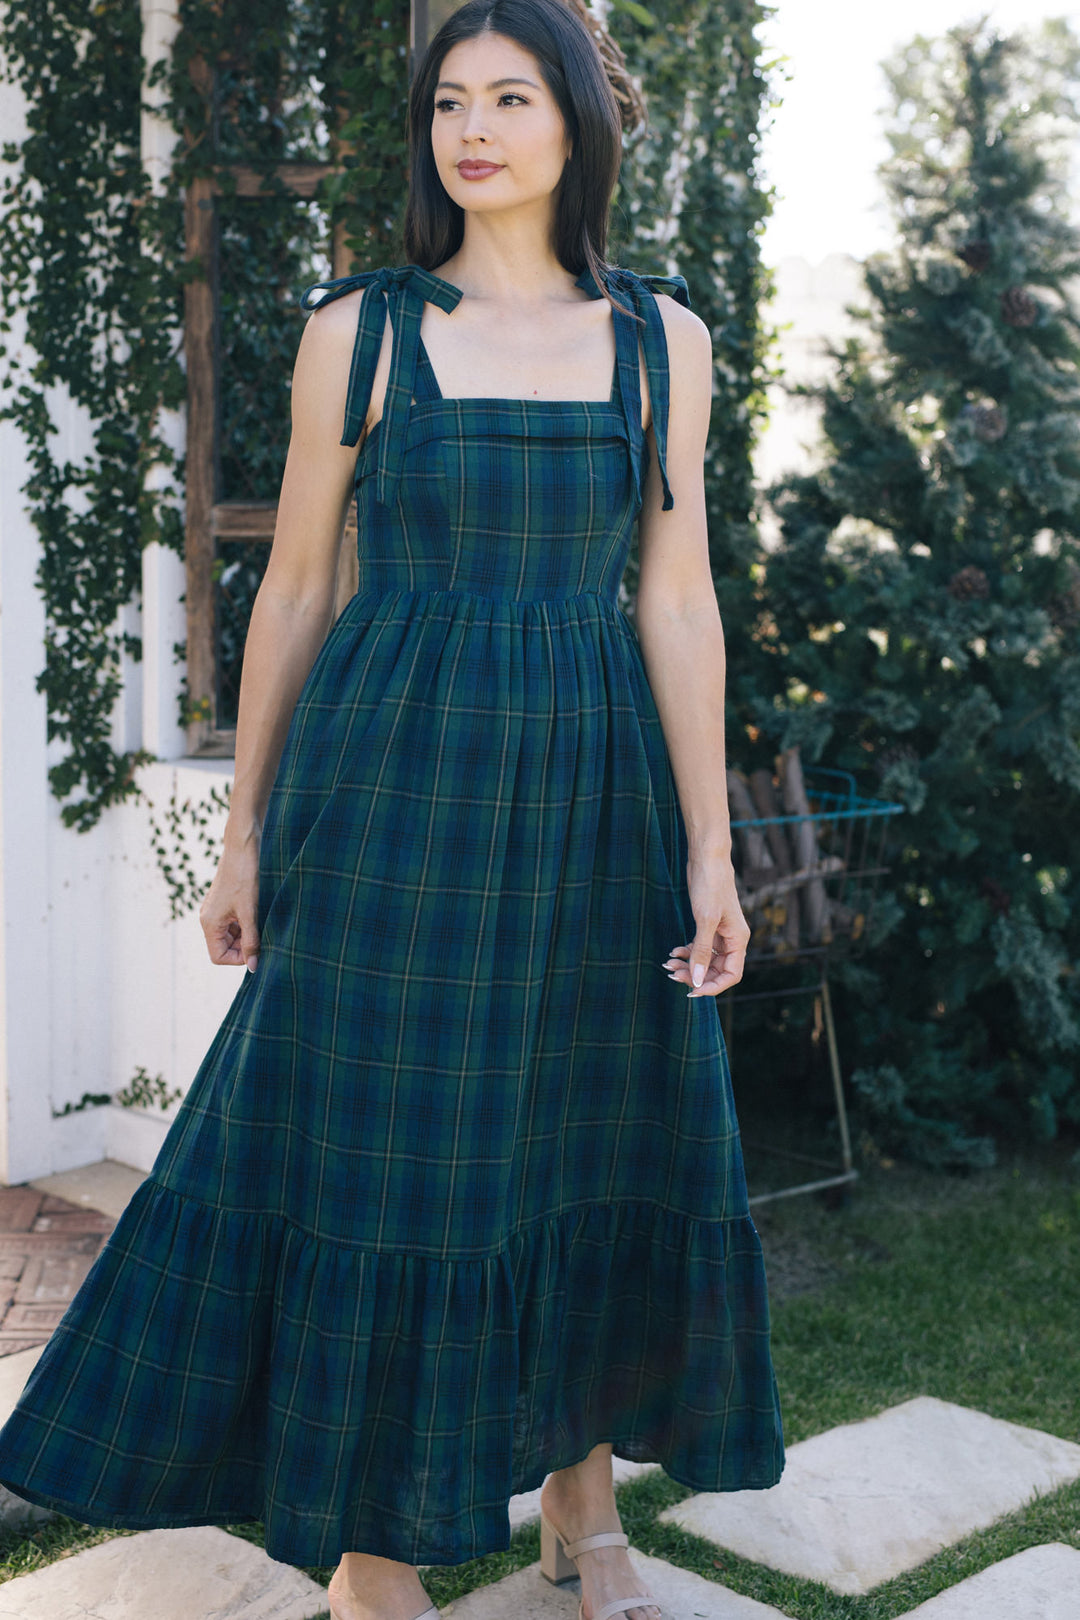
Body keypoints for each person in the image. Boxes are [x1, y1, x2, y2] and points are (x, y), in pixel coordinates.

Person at [0, 3, 784, 1618]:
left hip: (594, 793)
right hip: (391, 795)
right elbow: (288, 590)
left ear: (579, 124)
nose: (471, 128)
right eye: (447, 103)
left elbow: (680, 599)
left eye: (509, 97)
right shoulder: (359, 329)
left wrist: (711, 851)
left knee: (580, 1132)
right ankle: (369, 1552)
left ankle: (583, 1499)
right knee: (391, 1157)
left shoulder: (664, 340)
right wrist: (243, 832)